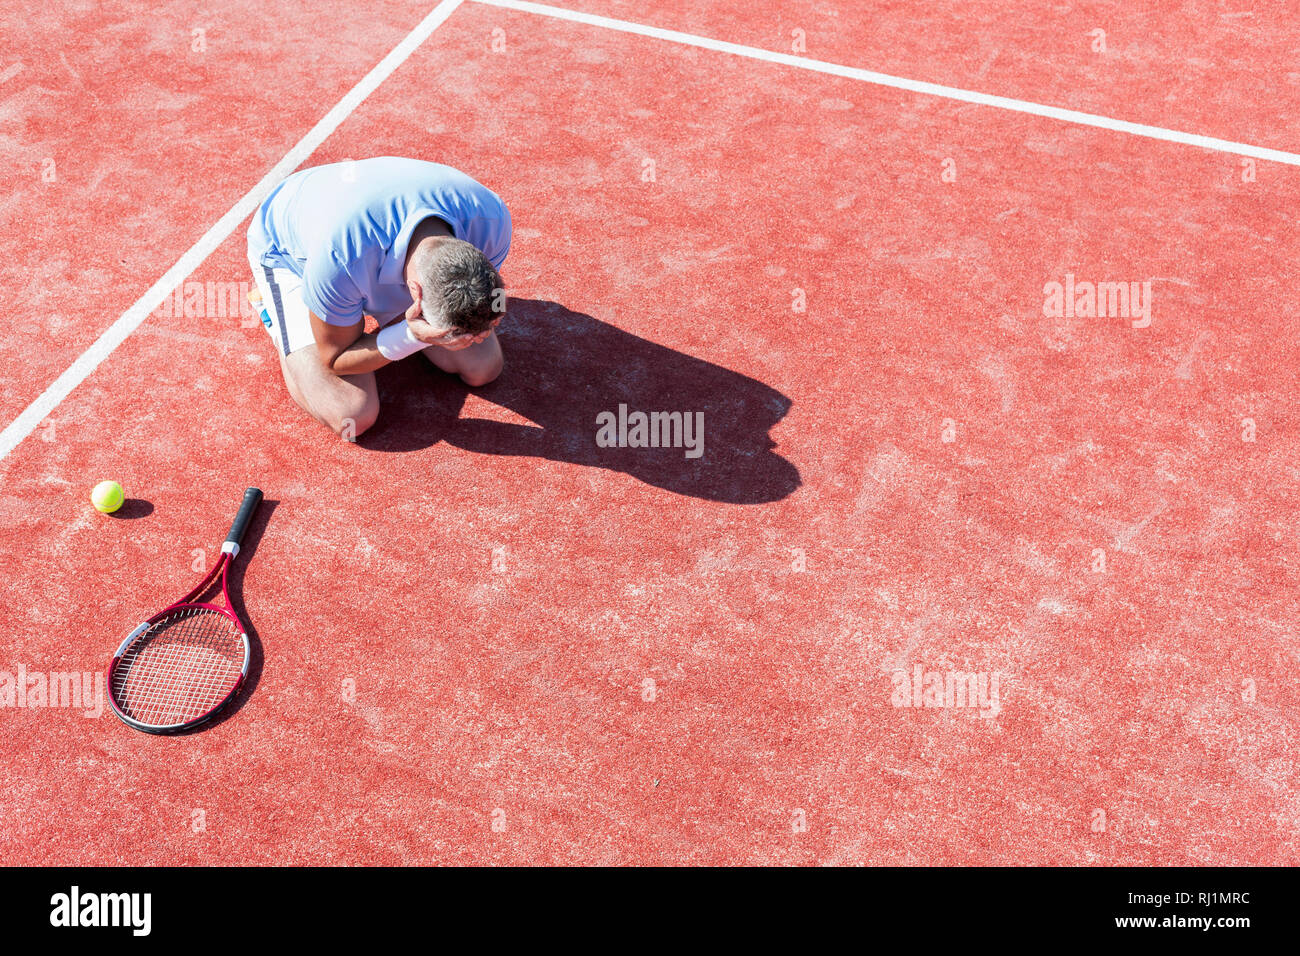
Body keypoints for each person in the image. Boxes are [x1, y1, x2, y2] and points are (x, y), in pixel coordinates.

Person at [246, 156, 511, 438]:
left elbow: (495, 291)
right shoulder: (339, 261)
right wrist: (412, 335)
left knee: (483, 368)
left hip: (365, 222)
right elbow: (335, 357)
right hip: (290, 254)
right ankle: (275, 309)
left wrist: (493, 314)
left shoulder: (492, 222)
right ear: (415, 296)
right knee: (353, 414)